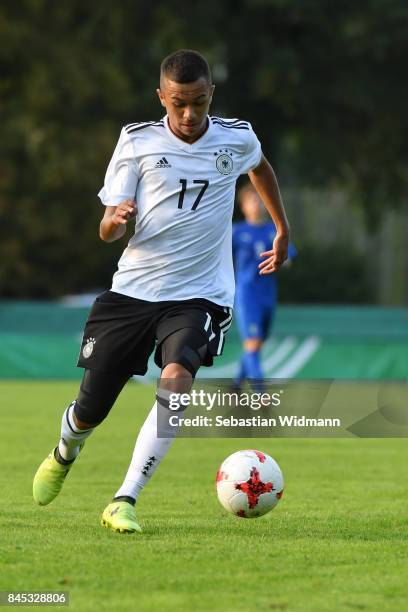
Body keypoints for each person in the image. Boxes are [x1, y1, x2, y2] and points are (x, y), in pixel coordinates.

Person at [32, 49, 291, 534]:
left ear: (211, 94)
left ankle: (124, 498)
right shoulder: (136, 142)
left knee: (176, 381)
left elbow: (260, 168)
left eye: (198, 102)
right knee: (90, 410)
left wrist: (282, 227)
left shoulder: (236, 136)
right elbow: (106, 230)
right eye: (178, 104)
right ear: (161, 98)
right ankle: (65, 451)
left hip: (200, 295)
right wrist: (113, 221)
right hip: (133, 291)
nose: (189, 114)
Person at [232, 183, 297, 389]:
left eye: (261, 200)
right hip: (246, 294)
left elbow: (289, 258)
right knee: (252, 343)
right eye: (252, 200)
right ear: (243, 206)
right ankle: (261, 393)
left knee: (257, 343)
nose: (257, 204)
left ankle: (235, 384)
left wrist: (282, 259)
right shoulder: (236, 232)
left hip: (268, 296)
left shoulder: (274, 231)